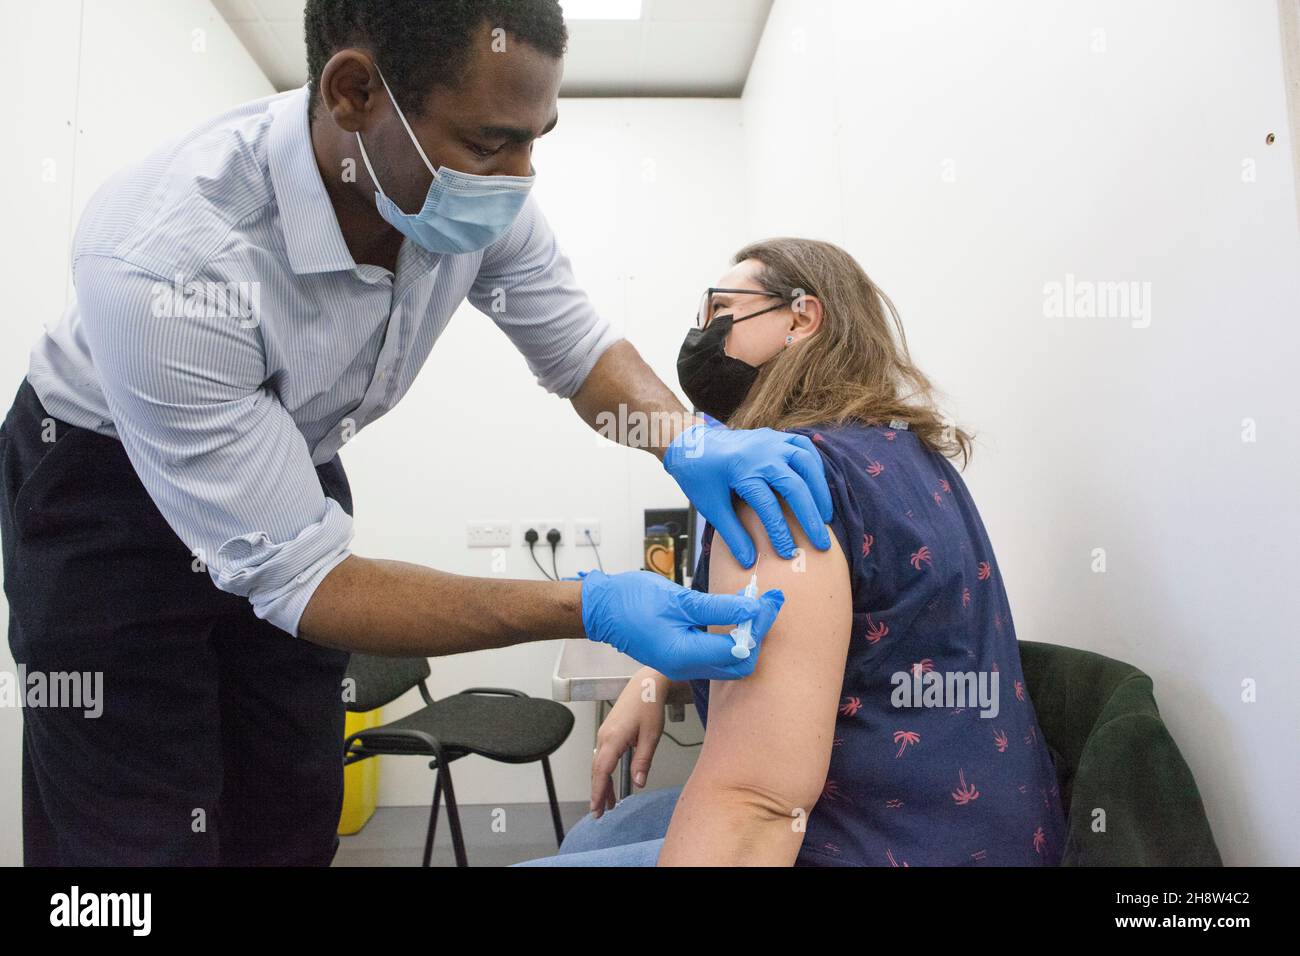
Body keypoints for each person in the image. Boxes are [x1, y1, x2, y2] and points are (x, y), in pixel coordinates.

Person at [0, 1, 828, 866]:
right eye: (488, 144)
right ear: (356, 92)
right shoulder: (166, 252)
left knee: (291, 801)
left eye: (536, 138)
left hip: (288, 457)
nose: (518, 177)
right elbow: (305, 578)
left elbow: (577, 348)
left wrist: (690, 441)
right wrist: (585, 604)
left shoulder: (465, 198)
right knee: (135, 834)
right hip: (104, 489)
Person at [519, 238, 1067, 866]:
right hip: (988, 827)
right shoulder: (910, 456)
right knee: (600, 835)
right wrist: (655, 675)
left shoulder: (780, 483)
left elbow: (757, 806)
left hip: (873, 841)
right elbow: (834, 627)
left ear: (802, 318)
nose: (701, 334)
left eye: (721, 308)